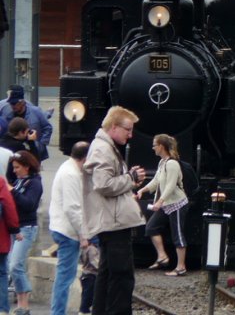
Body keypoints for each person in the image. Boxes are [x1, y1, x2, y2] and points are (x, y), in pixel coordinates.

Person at [83, 106, 146, 315]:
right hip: (114, 221)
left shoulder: (104, 146)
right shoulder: (102, 148)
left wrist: (128, 177)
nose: (131, 134)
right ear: (113, 127)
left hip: (112, 219)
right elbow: (103, 184)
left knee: (108, 272)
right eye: (128, 129)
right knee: (122, 275)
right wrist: (131, 179)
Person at [136, 134, 188, 277]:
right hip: (166, 204)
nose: (153, 148)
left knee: (177, 234)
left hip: (176, 203)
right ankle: (162, 256)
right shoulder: (162, 163)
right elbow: (156, 181)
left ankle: (181, 267)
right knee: (151, 227)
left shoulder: (172, 164)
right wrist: (143, 190)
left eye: (154, 145)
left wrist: (160, 201)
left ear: (161, 146)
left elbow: (171, 186)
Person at [49, 141, 90, 315]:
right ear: (86, 157)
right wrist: (83, 234)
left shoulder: (69, 168)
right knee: (65, 277)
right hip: (68, 231)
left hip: (64, 228)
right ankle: (58, 312)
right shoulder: (71, 174)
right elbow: (72, 208)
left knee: (65, 275)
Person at [8, 150, 43, 315]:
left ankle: (25, 302)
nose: (14, 171)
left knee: (16, 265)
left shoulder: (34, 183)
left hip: (27, 228)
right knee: (13, 265)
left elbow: (29, 205)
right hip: (15, 228)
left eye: (17, 167)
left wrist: (12, 192)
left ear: (27, 167)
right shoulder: (19, 181)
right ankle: (22, 304)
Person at [0, 86, 52, 161]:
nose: (12, 106)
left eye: (14, 103)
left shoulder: (36, 112)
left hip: (32, 150)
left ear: (22, 102)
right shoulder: (6, 112)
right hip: (14, 151)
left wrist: (41, 144)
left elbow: (47, 128)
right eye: (11, 103)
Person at [0, 170, 19, 315]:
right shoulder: (0, 182)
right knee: (1, 273)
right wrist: (14, 229)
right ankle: (2, 309)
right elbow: (9, 206)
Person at [78, 240, 99, 315]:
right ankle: (84, 310)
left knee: (85, 294)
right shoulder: (92, 249)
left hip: (85, 274)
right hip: (91, 274)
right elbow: (94, 262)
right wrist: (101, 268)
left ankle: (83, 309)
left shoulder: (85, 248)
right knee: (89, 294)